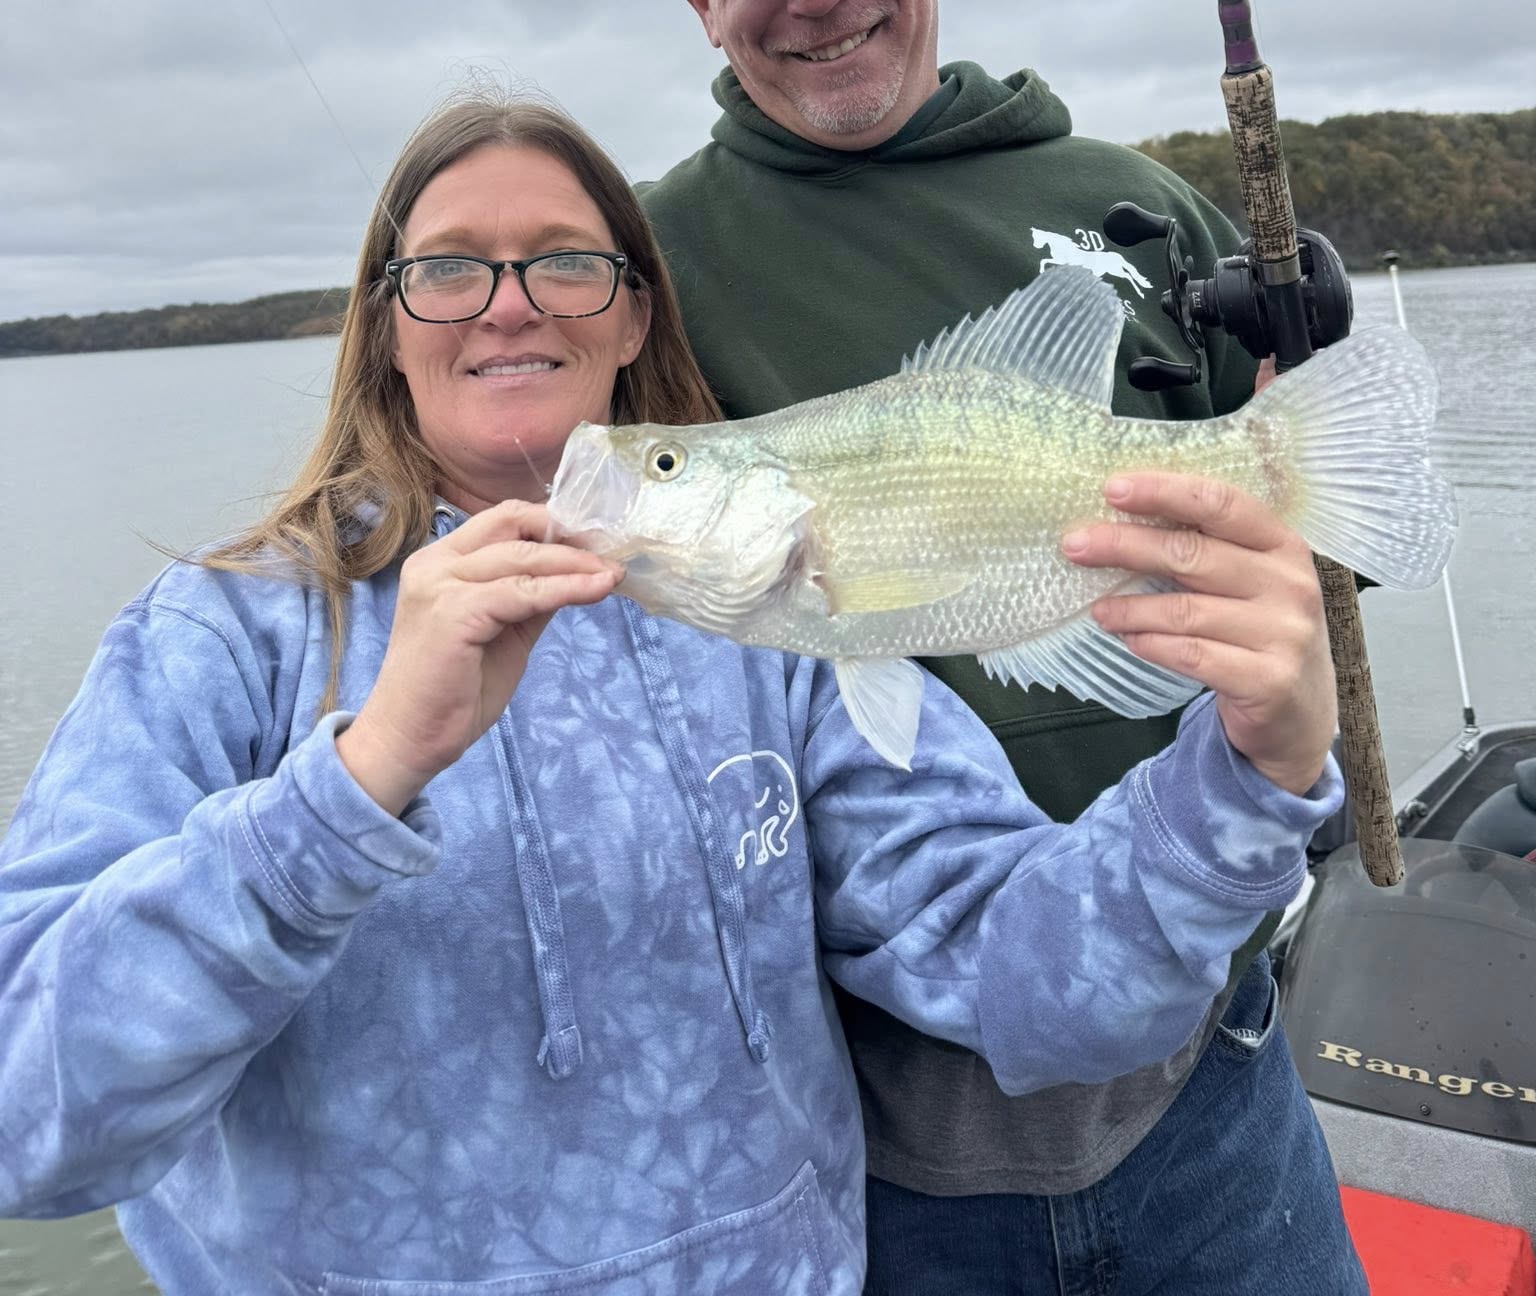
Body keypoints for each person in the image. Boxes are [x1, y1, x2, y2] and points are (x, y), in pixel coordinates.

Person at [0, 95, 1342, 1295]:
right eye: (451, 268)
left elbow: (1040, 987)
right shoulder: (215, 640)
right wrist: (354, 788)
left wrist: (1247, 773)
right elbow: (30, 1123)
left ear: (634, 310)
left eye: (568, 264)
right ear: (386, 322)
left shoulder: (762, 632)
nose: (510, 302)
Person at [640, 0, 1368, 1293]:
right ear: (700, 3)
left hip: (1213, 1065)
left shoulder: (1135, 194)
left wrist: (1314, 465)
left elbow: (1311, 549)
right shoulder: (642, 268)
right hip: (874, 1121)